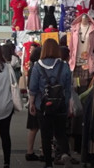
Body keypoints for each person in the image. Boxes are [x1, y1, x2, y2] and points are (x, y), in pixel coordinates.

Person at [29, 39, 73, 168]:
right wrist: (68, 103)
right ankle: (64, 153)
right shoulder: (64, 66)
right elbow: (68, 87)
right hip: (61, 105)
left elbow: (33, 87)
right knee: (60, 132)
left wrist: (31, 103)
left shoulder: (37, 66)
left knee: (45, 135)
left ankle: (48, 163)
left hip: (42, 106)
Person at [25, 46, 43, 161]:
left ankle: (30, 151)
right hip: (37, 101)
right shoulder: (38, 67)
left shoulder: (32, 67)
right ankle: (42, 151)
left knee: (34, 128)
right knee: (41, 128)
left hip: (33, 100)